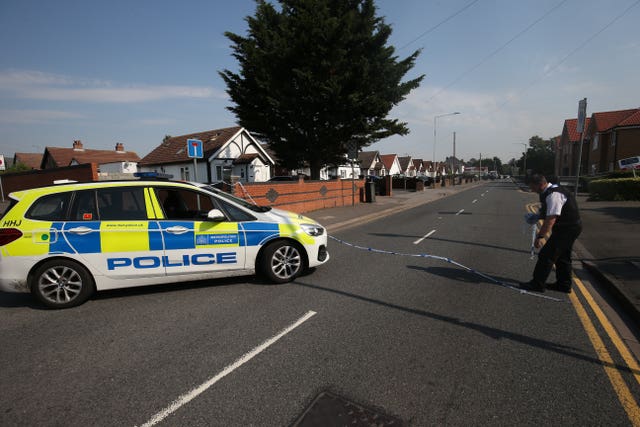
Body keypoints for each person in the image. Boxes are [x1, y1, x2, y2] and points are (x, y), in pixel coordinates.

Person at [521, 174, 582, 293]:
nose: (531, 190)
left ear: (540, 184)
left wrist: (540, 236)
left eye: (532, 187)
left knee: (546, 255)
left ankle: (537, 284)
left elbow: (551, 219)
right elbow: (547, 212)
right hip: (567, 227)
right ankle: (564, 285)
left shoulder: (554, 194)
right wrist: (537, 216)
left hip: (568, 228)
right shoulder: (548, 192)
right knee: (563, 257)